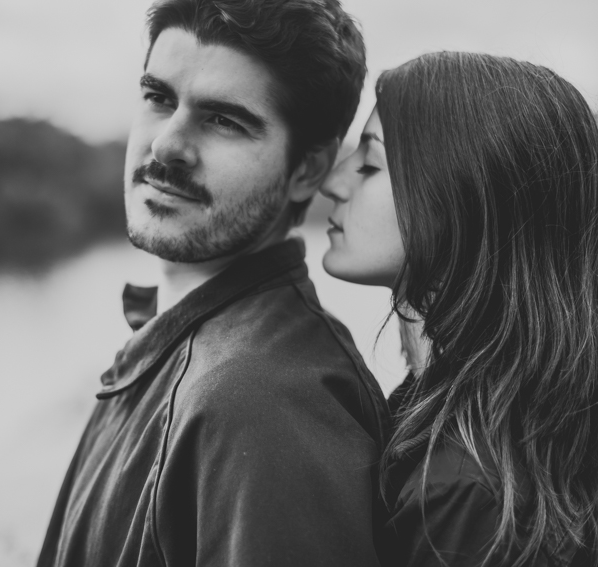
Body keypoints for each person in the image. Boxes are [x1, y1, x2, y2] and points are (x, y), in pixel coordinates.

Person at [36, 1, 389, 566]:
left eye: (224, 119)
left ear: (308, 170)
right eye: (159, 97)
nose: (167, 145)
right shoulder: (197, 347)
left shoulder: (266, 405)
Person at [319, 51, 598, 566]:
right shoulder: (499, 434)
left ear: (459, 195)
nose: (332, 184)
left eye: (370, 164)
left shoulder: (465, 492)